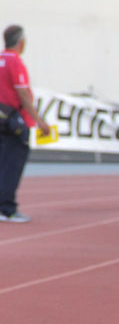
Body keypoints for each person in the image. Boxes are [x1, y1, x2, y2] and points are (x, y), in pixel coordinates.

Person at [0, 25, 50, 222]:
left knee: (3, 163)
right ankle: (7, 209)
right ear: (21, 42)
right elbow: (22, 94)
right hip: (15, 121)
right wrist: (39, 121)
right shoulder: (15, 62)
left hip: (2, 119)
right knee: (13, 165)